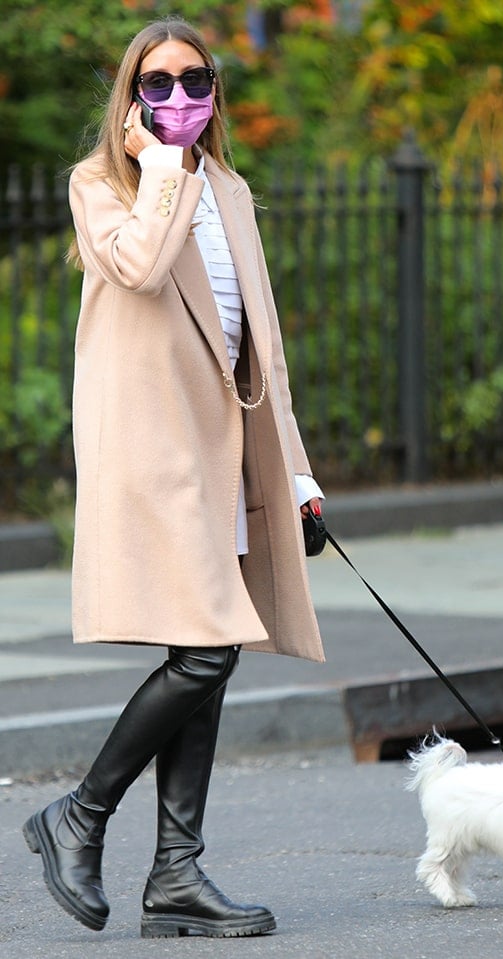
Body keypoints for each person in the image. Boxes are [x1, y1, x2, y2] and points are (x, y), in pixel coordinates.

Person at [22, 17, 326, 940]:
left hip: (223, 456)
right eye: (157, 85)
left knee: (212, 653)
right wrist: (158, 170)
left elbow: (259, 346)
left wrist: (300, 471)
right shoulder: (101, 187)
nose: (179, 98)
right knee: (205, 648)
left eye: (195, 81)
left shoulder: (228, 188)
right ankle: (81, 812)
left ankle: (176, 874)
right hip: (154, 458)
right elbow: (142, 272)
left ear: (216, 90)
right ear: (132, 96)